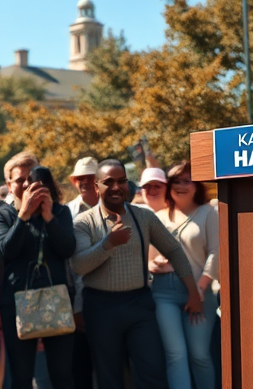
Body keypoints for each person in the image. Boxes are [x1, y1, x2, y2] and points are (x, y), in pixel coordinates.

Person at [71, 159, 201, 389]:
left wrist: (193, 291)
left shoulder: (144, 217)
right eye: (108, 182)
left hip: (139, 304)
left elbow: (173, 250)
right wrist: (108, 243)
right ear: (96, 186)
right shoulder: (84, 222)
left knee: (153, 371)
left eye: (121, 181)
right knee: (110, 377)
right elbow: (79, 265)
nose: (116, 187)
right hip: (101, 307)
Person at [0, 164, 76, 388]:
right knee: (21, 376)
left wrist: (48, 217)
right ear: (9, 186)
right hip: (16, 303)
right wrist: (24, 215)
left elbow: (68, 249)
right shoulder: (0, 215)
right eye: (20, 180)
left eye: (33, 179)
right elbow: (7, 250)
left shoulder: (60, 212)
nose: (27, 185)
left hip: (57, 298)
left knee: (62, 375)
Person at [150, 161, 219, 389]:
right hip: (164, 294)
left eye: (187, 181)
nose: (181, 186)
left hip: (200, 292)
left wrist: (198, 291)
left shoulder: (209, 212)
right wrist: (155, 264)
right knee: (175, 355)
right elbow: (149, 259)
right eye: (176, 181)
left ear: (197, 185)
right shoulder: (158, 217)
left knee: (199, 355)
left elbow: (216, 253)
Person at [64, 156, 98, 389]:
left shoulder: (117, 209)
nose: (84, 182)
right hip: (77, 301)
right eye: (80, 178)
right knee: (81, 368)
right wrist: (76, 308)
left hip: (109, 300)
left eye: (90, 177)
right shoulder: (66, 213)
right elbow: (69, 264)